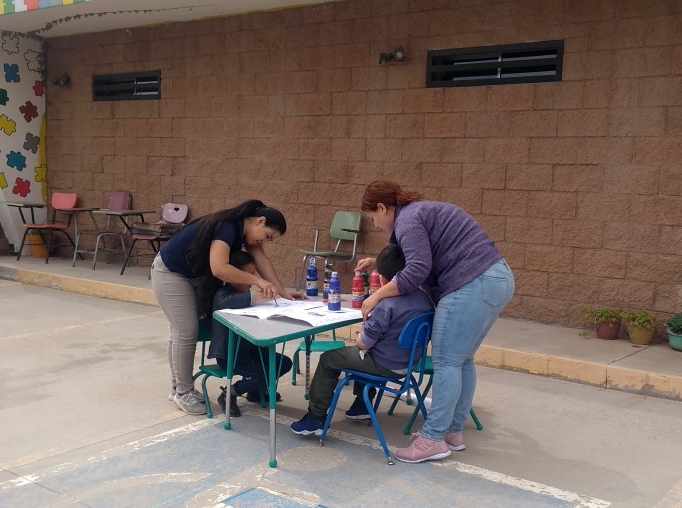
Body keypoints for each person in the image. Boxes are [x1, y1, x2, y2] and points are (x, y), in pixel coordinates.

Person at [357, 180, 514, 463]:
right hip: (497, 279)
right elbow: (421, 259)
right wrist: (378, 263)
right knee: (462, 359)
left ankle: (433, 439)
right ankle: (452, 432)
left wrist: (378, 294)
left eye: (372, 219)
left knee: (448, 362)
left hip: (472, 282)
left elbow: (417, 268)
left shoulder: (407, 221)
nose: (377, 226)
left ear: (382, 208)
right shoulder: (419, 212)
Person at [152, 199, 304, 415]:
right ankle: (183, 391)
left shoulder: (245, 232)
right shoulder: (228, 226)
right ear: (260, 221)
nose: (265, 242)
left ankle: (178, 386)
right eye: (268, 236)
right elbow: (219, 269)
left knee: (182, 330)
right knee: (186, 331)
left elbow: (262, 262)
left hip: (194, 275)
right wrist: (257, 282)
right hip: (171, 272)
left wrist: (283, 293)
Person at [290, 244, 434, 436]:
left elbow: (364, 344)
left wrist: (360, 339)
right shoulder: (425, 299)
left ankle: (315, 417)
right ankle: (361, 406)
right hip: (409, 364)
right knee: (359, 354)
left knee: (330, 359)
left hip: (385, 365)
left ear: (381, 278)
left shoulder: (386, 305)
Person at [207, 250, 292, 417]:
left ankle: (254, 390)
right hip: (230, 355)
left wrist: (283, 299)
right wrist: (263, 294)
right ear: (232, 275)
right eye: (247, 276)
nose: (250, 281)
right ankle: (230, 393)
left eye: (253, 275)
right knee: (262, 375)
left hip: (251, 350)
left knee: (284, 363)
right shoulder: (223, 295)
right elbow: (236, 302)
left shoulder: (242, 294)